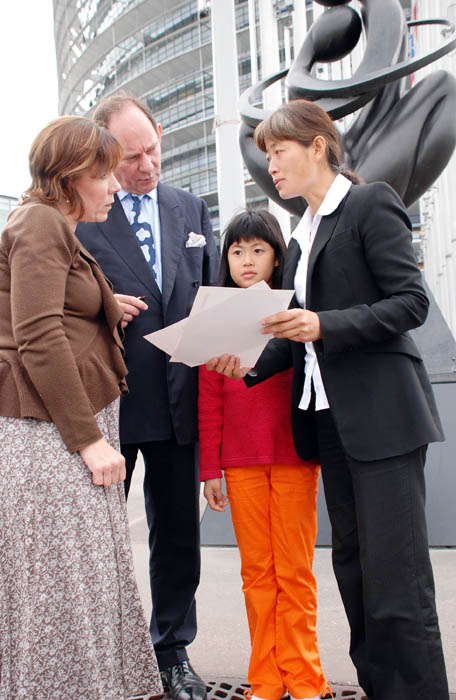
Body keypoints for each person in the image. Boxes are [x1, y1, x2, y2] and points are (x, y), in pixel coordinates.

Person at [208, 99, 448, 700]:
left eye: (278, 152)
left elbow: (410, 302)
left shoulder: (369, 203)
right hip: (330, 426)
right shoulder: (303, 233)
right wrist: (248, 365)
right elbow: (295, 338)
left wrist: (324, 324)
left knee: (397, 581)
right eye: (267, 156)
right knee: (357, 575)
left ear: (318, 146)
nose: (271, 167)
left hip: (382, 421)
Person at [0, 116, 162, 700]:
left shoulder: (52, 224)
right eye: (104, 175)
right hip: (51, 434)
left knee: (76, 587)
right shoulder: (40, 222)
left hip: (57, 429)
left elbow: (52, 308)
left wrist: (105, 305)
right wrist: (90, 440)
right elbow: (38, 335)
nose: (116, 186)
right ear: (70, 177)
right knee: (64, 592)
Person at [76, 92, 218, 700]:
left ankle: (172, 653)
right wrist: (102, 306)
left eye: (152, 150)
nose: (147, 166)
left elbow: (210, 292)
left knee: (179, 536)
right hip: (109, 405)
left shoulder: (191, 208)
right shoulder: (82, 214)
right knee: (100, 540)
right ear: (105, 153)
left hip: (182, 401)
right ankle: (105, 659)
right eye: (131, 157)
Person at [199, 209, 330, 700]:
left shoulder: (294, 311)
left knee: (295, 570)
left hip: (294, 456)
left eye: (258, 249)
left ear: (277, 257)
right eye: (237, 251)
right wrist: (210, 470)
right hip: (239, 462)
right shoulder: (215, 318)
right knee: (256, 573)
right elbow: (208, 400)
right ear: (226, 259)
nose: (247, 260)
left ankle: (305, 677)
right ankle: (267, 680)